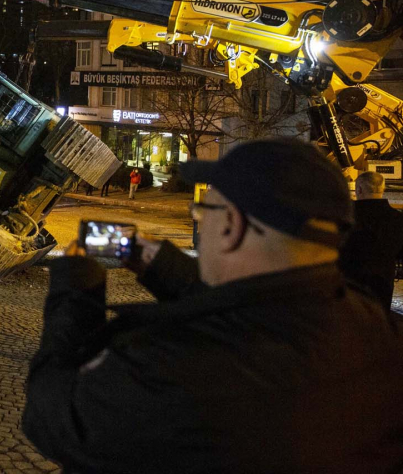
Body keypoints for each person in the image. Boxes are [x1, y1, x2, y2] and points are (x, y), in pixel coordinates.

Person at [22, 138, 403, 473]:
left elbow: (55, 416)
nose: (201, 222)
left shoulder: (171, 370)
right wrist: (160, 265)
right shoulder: (379, 329)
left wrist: (76, 287)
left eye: (204, 213)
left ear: (232, 226)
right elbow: (256, 310)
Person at [339, 170, 403, 310]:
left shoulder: (345, 217)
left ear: (359, 189)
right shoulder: (398, 219)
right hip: (383, 286)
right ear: (382, 189)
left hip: (349, 286)